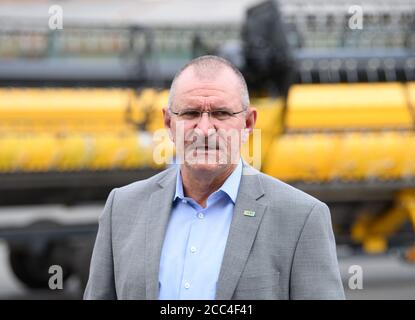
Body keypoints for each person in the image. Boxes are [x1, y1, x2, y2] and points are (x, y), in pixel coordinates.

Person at [84, 55, 345, 300]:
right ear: (167, 123)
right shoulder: (122, 208)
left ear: (248, 124)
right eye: (190, 113)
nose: (205, 129)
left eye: (221, 113)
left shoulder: (301, 218)